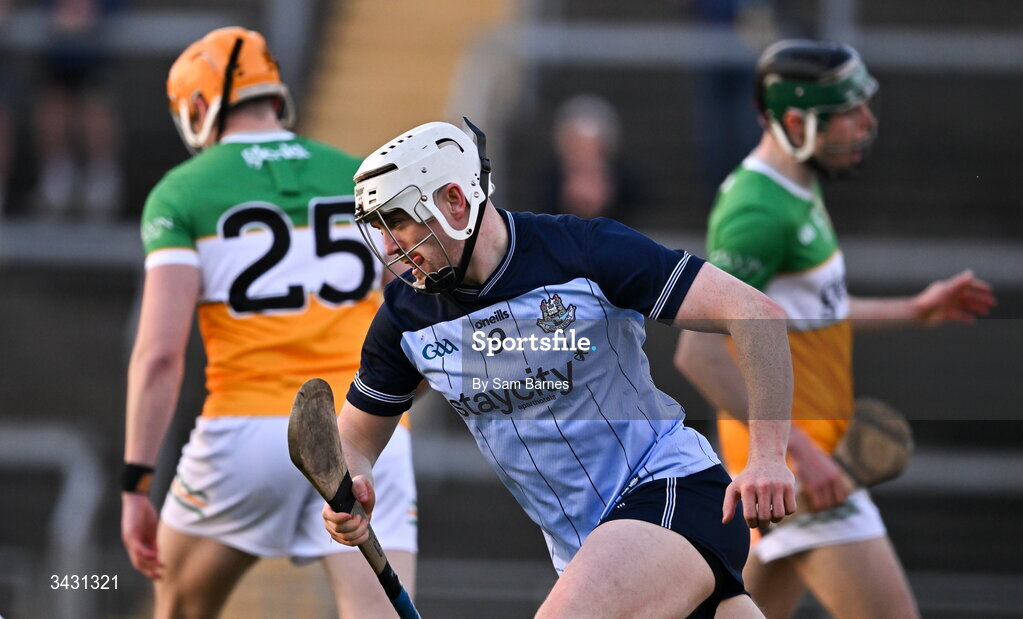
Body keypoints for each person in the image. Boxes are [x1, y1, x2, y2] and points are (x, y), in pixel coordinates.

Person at [321, 119, 797, 618]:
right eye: (381, 230)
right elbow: (354, 439)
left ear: (455, 202)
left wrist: (766, 456)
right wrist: (351, 488)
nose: (391, 248)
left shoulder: (584, 250)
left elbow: (757, 316)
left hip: (670, 492)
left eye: (398, 222)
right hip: (583, 551)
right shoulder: (404, 318)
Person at [674, 39, 996, 618]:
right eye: (847, 114)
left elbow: (814, 308)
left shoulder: (799, 186)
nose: (866, 124)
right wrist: (797, 451)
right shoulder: (757, 212)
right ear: (794, 121)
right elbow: (699, 355)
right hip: (803, 474)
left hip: (798, 475)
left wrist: (914, 309)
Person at [120, 27, 417, 618]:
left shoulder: (183, 193)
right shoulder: (359, 175)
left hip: (242, 432)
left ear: (199, 109)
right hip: (360, 431)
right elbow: (414, 315)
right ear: (275, 94)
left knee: (177, 610)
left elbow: (159, 355)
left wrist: (135, 482)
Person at [540, 94, 642, 220]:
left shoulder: (625, 180)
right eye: (577, 147)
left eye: (589, 146)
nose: (584, 154)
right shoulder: (550, 180)